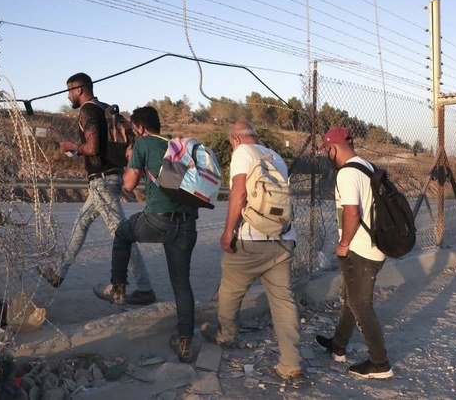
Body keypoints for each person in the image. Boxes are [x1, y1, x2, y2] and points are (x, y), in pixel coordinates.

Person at [200, 120, 305, 384]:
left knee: (230, 290)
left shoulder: (242, 154)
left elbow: (238, 192)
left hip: (251, 238)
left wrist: (228, 232)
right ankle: (291, 365)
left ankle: (226, 335)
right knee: (283, 301)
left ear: (234, 139)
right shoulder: (275, 156)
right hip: (282, 239)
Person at [37, 73, 155, 306]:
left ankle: (145, 287)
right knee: (81, 223)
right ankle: (59, 274)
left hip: (102, 180)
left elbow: (91, 147)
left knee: (122, 234)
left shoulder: (88, 111)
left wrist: (72, 146)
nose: (69, 96)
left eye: (69, 91)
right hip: (108, 177)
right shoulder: (104, 108)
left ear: (79, 90)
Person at [95, 106, 198, 363]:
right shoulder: (177, 145)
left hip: (158, 220)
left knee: (122, 234)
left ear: (139, 128)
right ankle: (185, 341)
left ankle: (117, 288)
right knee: (181, 283)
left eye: (134, 129)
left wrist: (132, 158)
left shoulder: (143, 144)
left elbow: (129, 185)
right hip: (187, 224)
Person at [315, 126, 394, 379]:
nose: (327, 155)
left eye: (327, 150)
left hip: (360, 249)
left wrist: (343, 243)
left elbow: (352, 211)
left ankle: (380, 363)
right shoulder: (366, 167)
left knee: (361, 304)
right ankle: (338, 345)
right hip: (374, 245)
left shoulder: (347, 173)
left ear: (333, 148)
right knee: (352, 298)